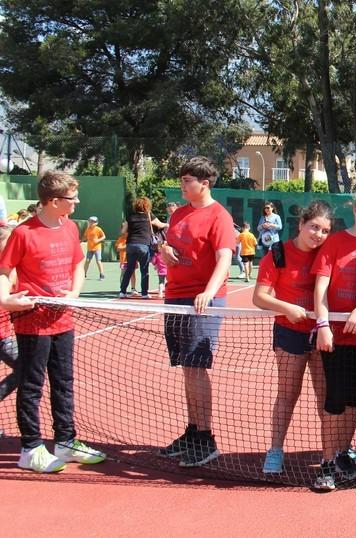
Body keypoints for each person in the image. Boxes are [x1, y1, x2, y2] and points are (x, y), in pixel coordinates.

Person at [0, 171, 105, 473]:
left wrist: (73, 293)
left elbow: (77, 265)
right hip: (33, 322)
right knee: (31, 385)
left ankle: (65, 442)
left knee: (64, 382)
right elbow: (4, 271)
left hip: (64, 320)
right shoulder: (23, 233)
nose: (77, 202)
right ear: (54, 201)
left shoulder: (71, 228)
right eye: (72, 198)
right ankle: (30, 448)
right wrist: (5, 299)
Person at [158, 156, 236, 468]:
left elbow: (224, 258)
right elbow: (170, 247)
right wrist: (164, 252)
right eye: (182, 180)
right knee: (187, 368)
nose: (183, 185)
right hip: (174, 296)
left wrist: (208, 290)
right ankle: (192, 431)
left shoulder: (220, 216)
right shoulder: (178, 214)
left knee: (197, 366)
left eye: (188, 181)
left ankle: (206, 438)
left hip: (202, 300)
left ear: (204, 183)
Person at [253, 201, 335, 478]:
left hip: (323, 335)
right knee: (288, 394)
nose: (318, 234)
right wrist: (288, 308)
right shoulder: (278, 254)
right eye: (314, 227)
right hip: (289, 333)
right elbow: (260, 297)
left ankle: (332, 454)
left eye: (324, 230)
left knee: (326, 397)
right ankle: (275, 450)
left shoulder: (327, 253)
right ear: (301, 224)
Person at [312, 188, 356, 490]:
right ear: (355, 209)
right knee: (335, 399)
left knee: (354, 398)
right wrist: (324, 324)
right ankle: (327, 463)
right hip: (334, 336)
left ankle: (343, 454)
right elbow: (321, 288)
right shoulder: (334, 242)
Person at [119, 197, 167, 299]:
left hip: (130, 244)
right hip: (143, 245)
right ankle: (144, 293)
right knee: (144, 270)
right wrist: (169, 224)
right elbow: (160, 225)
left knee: (129, 269)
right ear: (147, 205)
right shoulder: (149, 216)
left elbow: (123, 231)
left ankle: (122, 292)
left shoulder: (130, 216)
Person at [0, 224, 21, 438]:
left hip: (4, 334)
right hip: (2, 337)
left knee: (26, 368)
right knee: (26, 368)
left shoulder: (8, 269)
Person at [83, 216, 106, 280]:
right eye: (90, 221)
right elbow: (85, 237)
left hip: (97, 248)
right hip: (90, 248)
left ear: (96, 223)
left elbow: (104, 236)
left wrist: (98, 240)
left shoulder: (98, 229)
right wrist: (81, 240)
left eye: (93, 222)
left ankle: (102, 274)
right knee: (87, 261)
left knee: (98, 261)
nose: (91, 223)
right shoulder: (87, 229)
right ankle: (84, 274)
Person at [114, 224, 134, 295]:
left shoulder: (132, 238)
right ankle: (122, 288)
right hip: (123, 261)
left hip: (132, 259)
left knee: (132, 274)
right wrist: (128, 247)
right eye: (124, 230)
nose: (126, 232)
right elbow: (118, 248)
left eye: (127, 231)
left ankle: (133, 289)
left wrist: (128, 247)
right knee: (123, 274)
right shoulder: (121, 239)